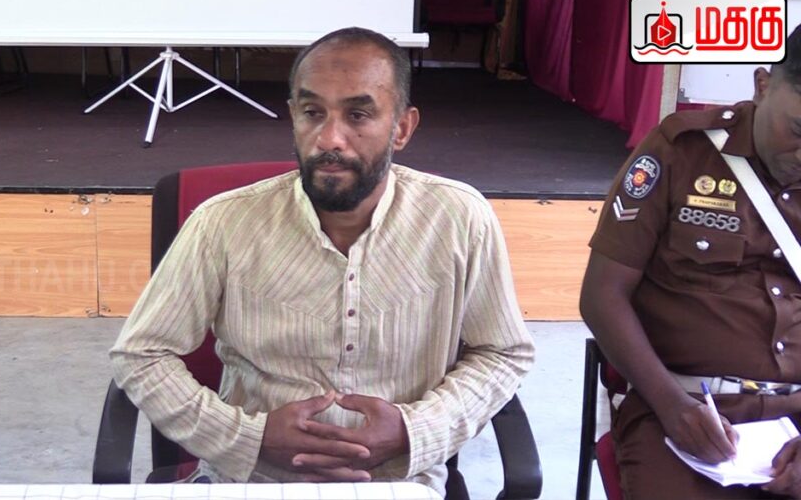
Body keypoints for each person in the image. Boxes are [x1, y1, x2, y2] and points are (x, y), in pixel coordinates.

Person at [109, 27, 534, 495]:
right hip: (249, 482)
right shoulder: (223, 223)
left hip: (401, 483)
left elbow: (502, 353)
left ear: (402, 128)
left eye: (358, 115)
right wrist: (249, 438)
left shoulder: (458, 219)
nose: (330, 138)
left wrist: (414, 430)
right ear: (293, 117)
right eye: (313, 113)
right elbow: (141, 355)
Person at [581, 25, 801, 499]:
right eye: (798, 130)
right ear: (762, 85)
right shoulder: (681, 151)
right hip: (687, 407)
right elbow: (602, 295)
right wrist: (671, 405)